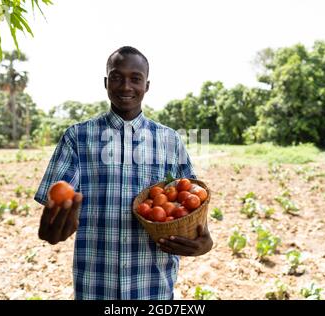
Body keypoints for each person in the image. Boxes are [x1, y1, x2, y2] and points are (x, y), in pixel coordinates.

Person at [34, 46, 213, 300]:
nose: (126, 86)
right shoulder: (77, 137)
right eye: (117, 77)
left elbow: (194, 202)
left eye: (135, 78)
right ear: (106, 82)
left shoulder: (169, 140)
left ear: (147, 85)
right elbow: (57, 204)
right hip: (95, 287)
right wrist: (54, 225)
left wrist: (205, 241)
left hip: (154, 287)